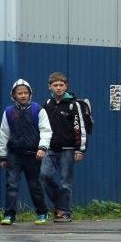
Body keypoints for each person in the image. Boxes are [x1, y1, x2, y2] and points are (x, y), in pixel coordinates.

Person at [0, 79, 53, 225]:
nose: (23, 95)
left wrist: (42, 148)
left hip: (33, 154)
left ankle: (42, 212)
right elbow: (4, 134)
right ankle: (9, 214)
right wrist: (3, 156)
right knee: (12, 184)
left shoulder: (38, 110)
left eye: (25, 93)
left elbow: (46, 131)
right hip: (14, 154)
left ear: (30, 94)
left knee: (34, 184)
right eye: (20, 93)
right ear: (14, 95)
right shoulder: (9, 112)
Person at [41, 72, 87, 223]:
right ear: (50, 87)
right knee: (45, 175)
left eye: (61, 85)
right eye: (55, 85)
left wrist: (80, 149)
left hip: (68, 149)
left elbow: (80, 127)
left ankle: (65, 211)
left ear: (66, 86)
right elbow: (42, 126)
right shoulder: (48, 104)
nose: (58, 88)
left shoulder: (74, 105)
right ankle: (58, 203)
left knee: (65, 182)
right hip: (51, 148)